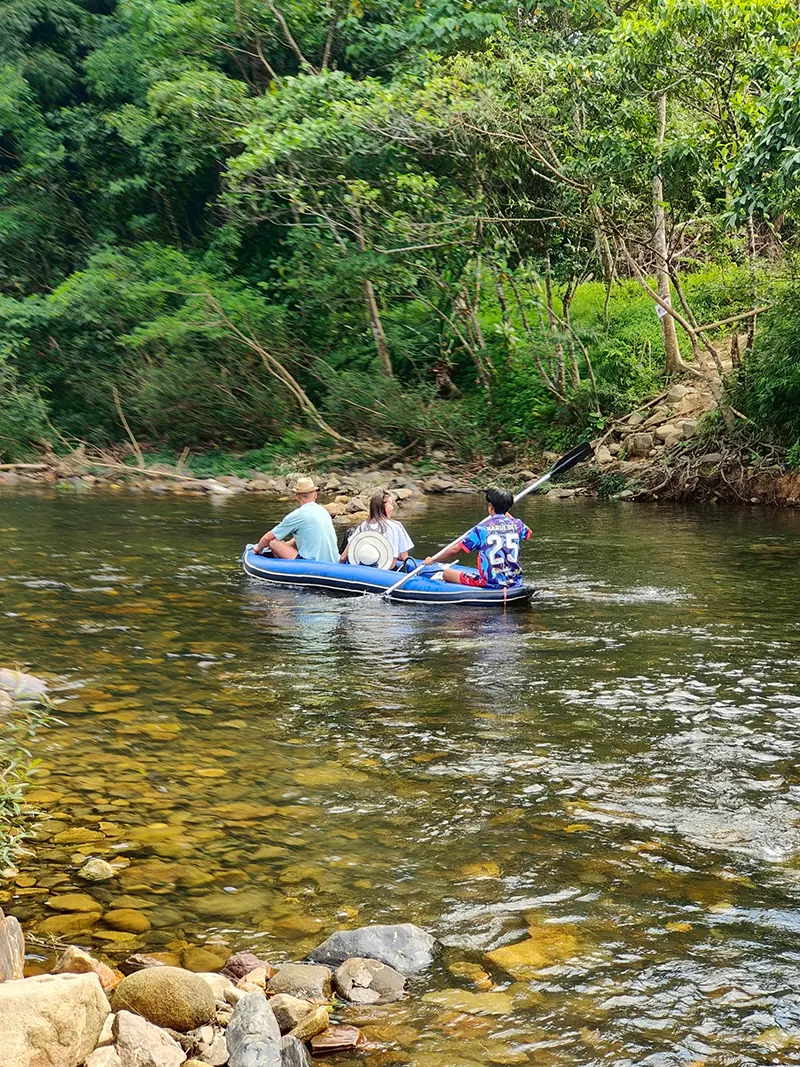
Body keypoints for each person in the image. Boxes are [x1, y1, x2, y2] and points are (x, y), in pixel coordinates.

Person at [424, 487, 531, 587]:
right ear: (509, 508)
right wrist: (507, 515)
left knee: (447, 573)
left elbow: (455, 550)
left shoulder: (481, 529)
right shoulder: (517, 524)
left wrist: (434, 559)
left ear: (491, 507)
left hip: (490, 582)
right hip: (514, 580)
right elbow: (528, 534)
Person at [254, 476, 338, 563]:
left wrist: (258, 549)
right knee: (295, 538)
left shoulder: (298, 514)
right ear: (315, 495)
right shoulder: (323, 511)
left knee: (273, 542)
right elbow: (304, 537)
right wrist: (287, 545)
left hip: (311, 564)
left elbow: (267, 538)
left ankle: (281, 568)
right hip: (333, 562)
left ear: (297, 497)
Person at [340, 489, 414, 569]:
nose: (392, 508)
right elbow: (404, 558)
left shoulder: (363, 526)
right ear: (383, 506)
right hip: (388, 571)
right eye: (391, 504)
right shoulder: (396, 526)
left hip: (362, 569)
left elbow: (343, 557)